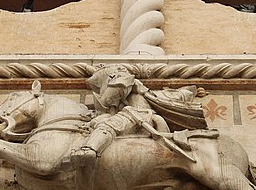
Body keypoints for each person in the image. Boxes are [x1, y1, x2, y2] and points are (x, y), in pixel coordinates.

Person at [69, 65, 209, 166]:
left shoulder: (123, 80)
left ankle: (89, 150)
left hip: (138, 117)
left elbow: (108, 98)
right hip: (139, 116)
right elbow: (175, 95)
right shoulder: (140, 89)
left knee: (108, 124)